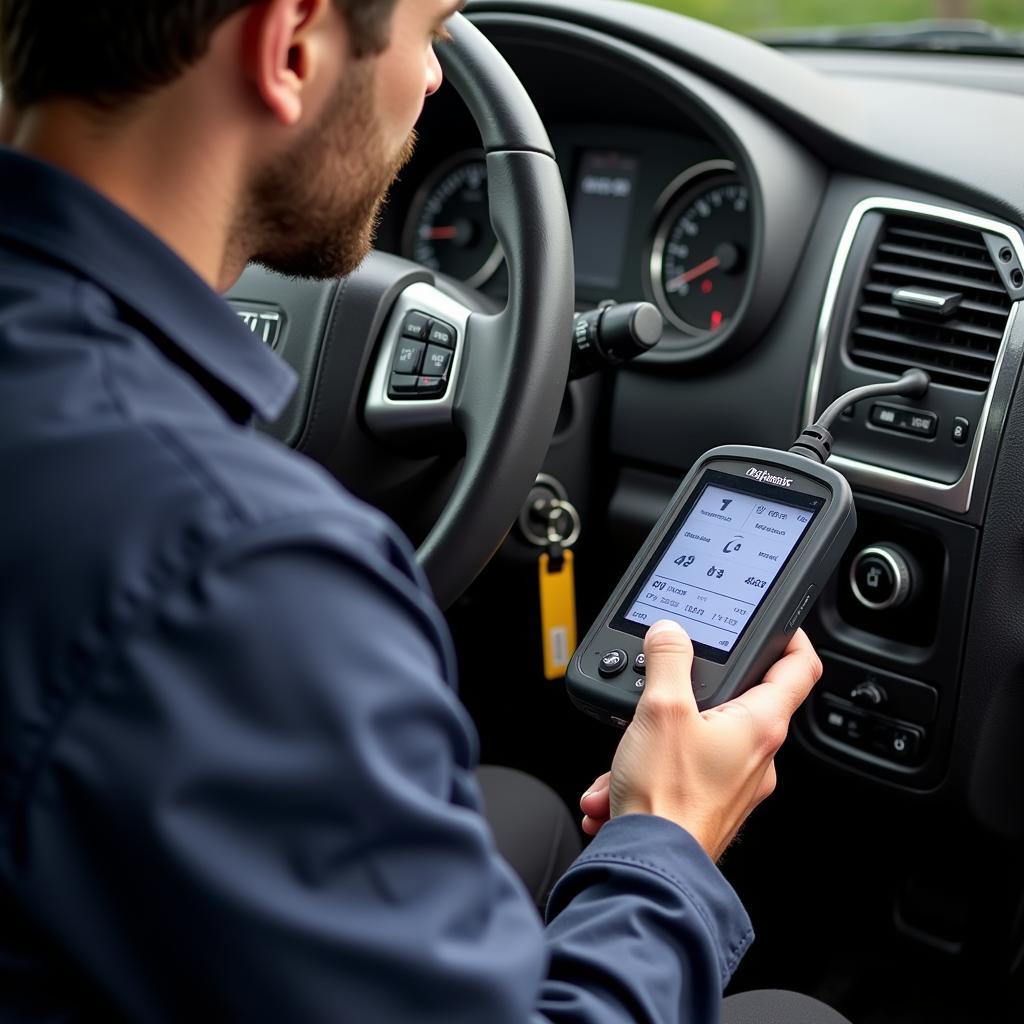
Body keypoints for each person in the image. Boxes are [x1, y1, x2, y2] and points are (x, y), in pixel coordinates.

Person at [0, 1, 849, 1021]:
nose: (439, 79)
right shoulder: (240, 568)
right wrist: (670, 833)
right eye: (432, 27)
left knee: (530, 813)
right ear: (293, 44)